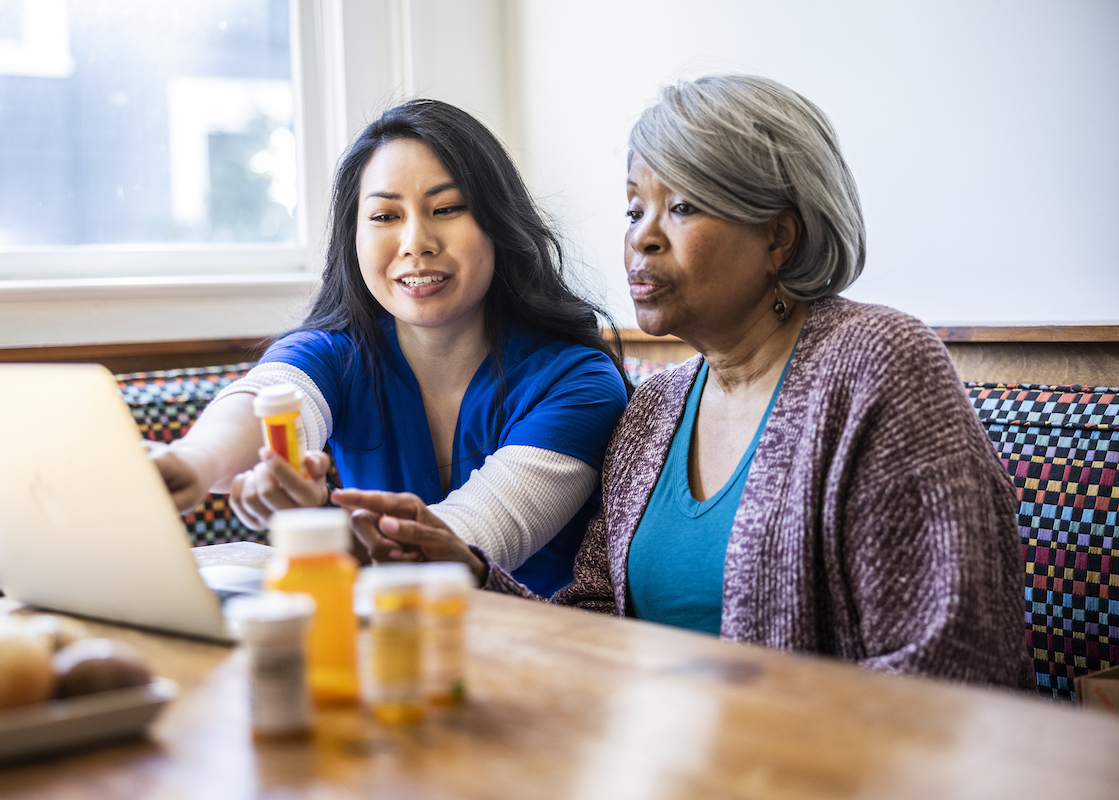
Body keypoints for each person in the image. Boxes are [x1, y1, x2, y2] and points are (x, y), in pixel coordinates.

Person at [336, 75, 1034, 688]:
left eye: (684, 206)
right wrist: (465, 569)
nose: (643, 237)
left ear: (779, 236)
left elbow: (954, 663)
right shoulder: (655, 408)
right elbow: (597, 627)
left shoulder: (878, 364)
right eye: (634, 208)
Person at [152, 99, 630, 597]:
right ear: (353, 238)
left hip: (540, 648)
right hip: (387, 641)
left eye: (447, 209)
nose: (415, 242)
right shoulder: (335, 355)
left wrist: (315, 520)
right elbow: (270, 400)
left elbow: (459, 548)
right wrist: (191, 464)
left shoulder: (579, 383)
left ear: (498, 225)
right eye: (384, 215)